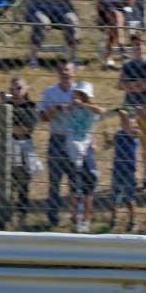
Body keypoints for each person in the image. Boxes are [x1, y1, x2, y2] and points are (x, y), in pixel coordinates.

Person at [38, 61, 79, 227]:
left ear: (74, 72)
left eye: (67, 70)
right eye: (61, 69)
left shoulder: (80, 91)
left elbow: (88, 117)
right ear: (57, 71)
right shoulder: (49, 92)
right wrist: (56, 109)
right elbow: (42, 118)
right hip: (56, 138)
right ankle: (52, 218)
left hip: (75, 139)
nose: (64, 72)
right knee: (54, 181)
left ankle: (77, 217)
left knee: (75, 181)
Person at [118, 32, 146, 191]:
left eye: (140, 43)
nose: (138, 46)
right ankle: (132, 177)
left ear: (145, 45)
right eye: (134, 44)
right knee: (129, 142)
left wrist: (131, 86)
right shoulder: (127, 65)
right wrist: (138, 85)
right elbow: (121, 85)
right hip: (128, 106)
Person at [61, 81, 103, 232]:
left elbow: (100, 111)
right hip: (72, 147)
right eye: (75, 93)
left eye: (79, 94)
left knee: (89, 183)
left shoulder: (90, 111)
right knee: (75, 184)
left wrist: (83, 105)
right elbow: (57, 115)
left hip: (85, 148)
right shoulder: (69, 109)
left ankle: (86, 218)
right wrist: (67, 108)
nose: (75, 96)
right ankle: (76, 217)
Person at [2, 76, 41, 228]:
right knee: (7, 183)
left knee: (23, 184)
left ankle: (21, 216)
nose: (15, 91)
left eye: (19, 88)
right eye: (12, 88)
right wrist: (2, 105)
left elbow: (27, 128)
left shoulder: (31, 107)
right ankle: (7, 216)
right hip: (9, 145)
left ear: (26, 89)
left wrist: (9, 128)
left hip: (24, 146)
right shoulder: (7, 106)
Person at [105, 107, 140, 232]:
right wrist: (106, 138)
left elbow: (127, 125)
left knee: (130, 198)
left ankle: (133, 221)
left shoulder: (135, 133)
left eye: (132, 121)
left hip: (129, 169)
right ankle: (113, 221)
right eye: (129, 120)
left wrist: (122, 112)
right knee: (115, 197)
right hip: (117, 168)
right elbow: (109, 145)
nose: (129, 122)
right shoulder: (118, 133)